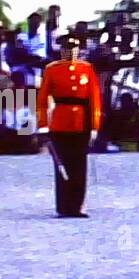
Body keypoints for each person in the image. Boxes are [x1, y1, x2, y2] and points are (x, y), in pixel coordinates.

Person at [36, 34, 102, 218]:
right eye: (66, 49)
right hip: (60, 121)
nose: (70, 52)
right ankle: (63, 206)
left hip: (81, 122)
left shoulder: (86, 69)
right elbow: (42, 100)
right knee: (62, 164)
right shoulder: (52, 70)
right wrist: (43, 124)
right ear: (61, 50)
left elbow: (94, 100)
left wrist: (94, 126)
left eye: (74, 49)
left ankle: (78, 206)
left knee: (79, 166)